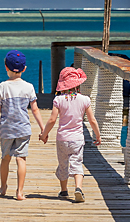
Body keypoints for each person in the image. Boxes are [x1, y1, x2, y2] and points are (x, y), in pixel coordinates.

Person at [39, 66, 100, 203]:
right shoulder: (85, 100)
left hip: (62, 139)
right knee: (77, 164)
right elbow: (92, 120)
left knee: (63, 164)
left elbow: (52, 120)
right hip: (77, 139)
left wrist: (44, 134)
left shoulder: (58, 100)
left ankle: (64, 191)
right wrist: (98, 135)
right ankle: (78, 188)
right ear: (78, 85)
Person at [0, 50, 44, 201]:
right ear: (24, 69)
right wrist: (42, 128)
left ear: (6, 67)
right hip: (23, 129)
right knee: (21, 159)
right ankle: (20, 192)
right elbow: (35, 109)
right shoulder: (29, 87)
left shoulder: (2, 87)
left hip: (7, 129)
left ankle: (3, 187)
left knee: (5, 158)